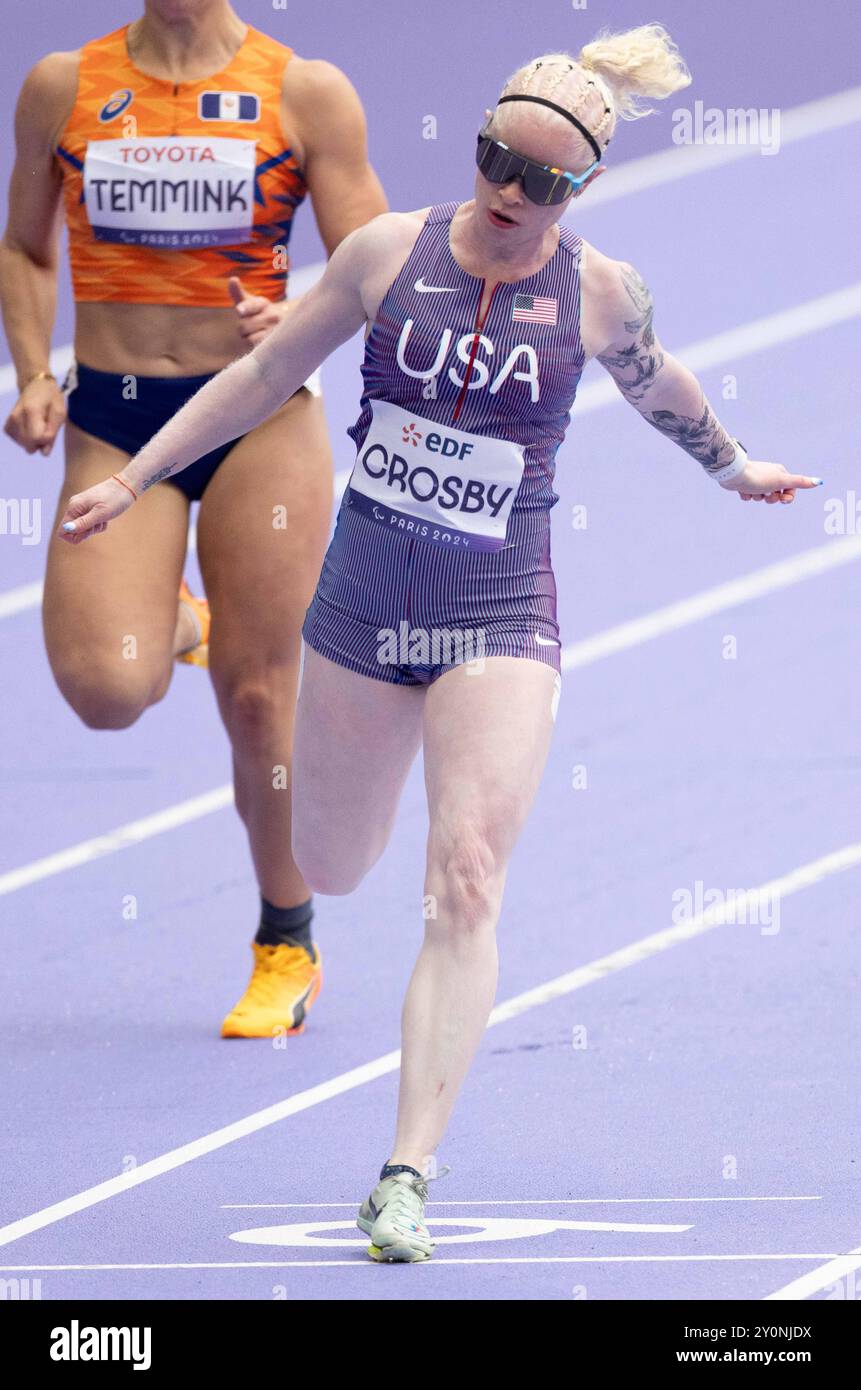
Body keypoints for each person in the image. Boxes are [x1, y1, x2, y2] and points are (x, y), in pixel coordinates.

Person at [56, 23, 821, 1262]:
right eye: (494, 163)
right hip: (361, 612)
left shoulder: (599, 292)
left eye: (544, 182)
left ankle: (404, 1170)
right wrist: (140, 476)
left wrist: (735, 467)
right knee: (336, 859)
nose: (512, 195)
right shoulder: (381, 254)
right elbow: (259, 383)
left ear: (585, 190)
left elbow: (660, 380)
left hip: (500, 611)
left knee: (464, 873)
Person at [0, 0, 387, 1038]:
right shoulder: (61, 87)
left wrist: (302, 310)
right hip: (118, 423)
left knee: (260, 698)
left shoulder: (303, 91)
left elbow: (377, 269)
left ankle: (286, 938)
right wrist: (34, 372)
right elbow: (28, 251)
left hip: (257, 413)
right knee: (107, 687)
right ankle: (177, 614)